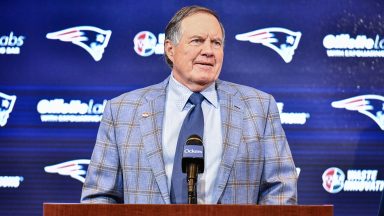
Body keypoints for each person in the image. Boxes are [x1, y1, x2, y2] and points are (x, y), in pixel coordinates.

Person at [81, 5, 298, 205]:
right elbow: (100, 196)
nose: (208, 51)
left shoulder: (259, 108)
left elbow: (280, 190)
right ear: (170, 49)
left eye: (216, 43)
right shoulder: (122, 111)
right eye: (197, 40)